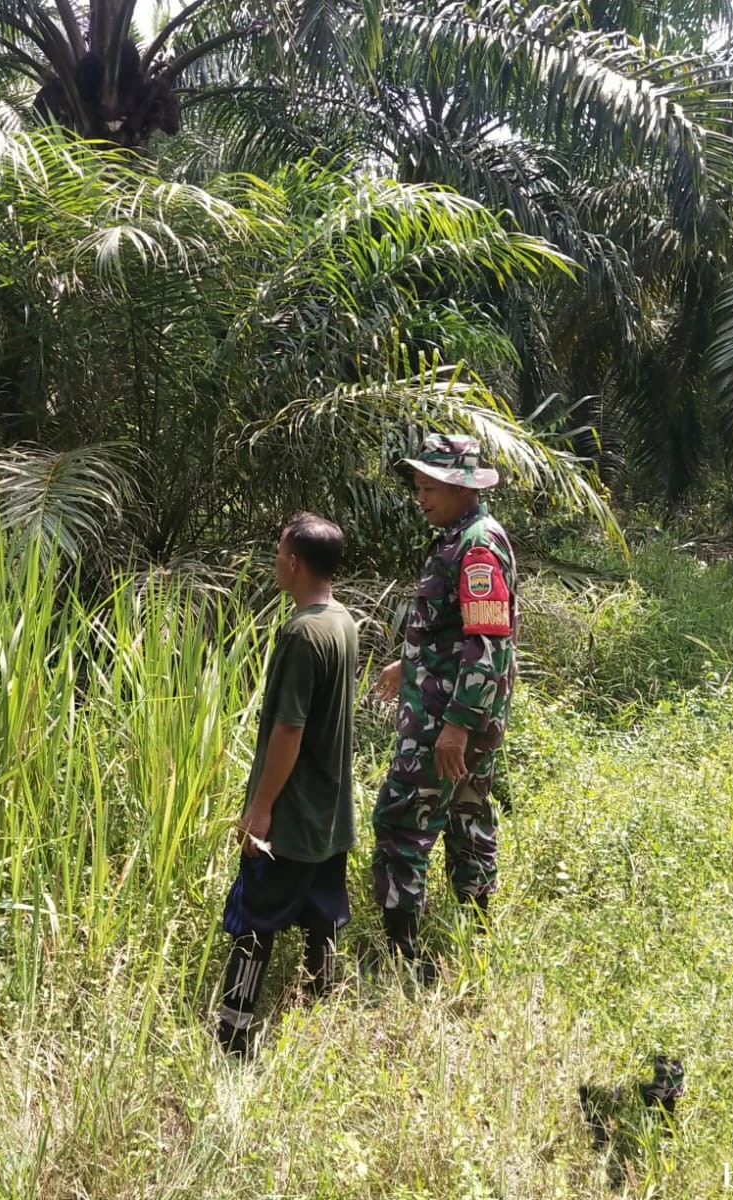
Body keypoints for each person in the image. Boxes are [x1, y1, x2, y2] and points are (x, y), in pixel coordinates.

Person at [370, 434, 518, 981]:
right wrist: (406, 664)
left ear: (461, 488)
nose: (420, 497)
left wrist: (454, 727)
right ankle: (475, 935)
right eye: (418, 487)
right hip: (460, 717)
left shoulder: (476, 547)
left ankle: (402, 958)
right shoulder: (458, 538)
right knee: (467, 816)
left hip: (445, 723)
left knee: (401, 821)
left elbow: (488, 644)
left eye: (430, 487)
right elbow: (452, 633)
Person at [216, 513, 360, 1057]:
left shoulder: (303, 634)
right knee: (321, 914)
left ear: (294, 563)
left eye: (279, 552)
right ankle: (319, 1011)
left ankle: (233, 1034)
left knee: (255, 918)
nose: (276, 560)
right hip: (330, 813)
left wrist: (260, 809)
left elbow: (289, 729)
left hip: (293, 815)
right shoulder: (342, 620)